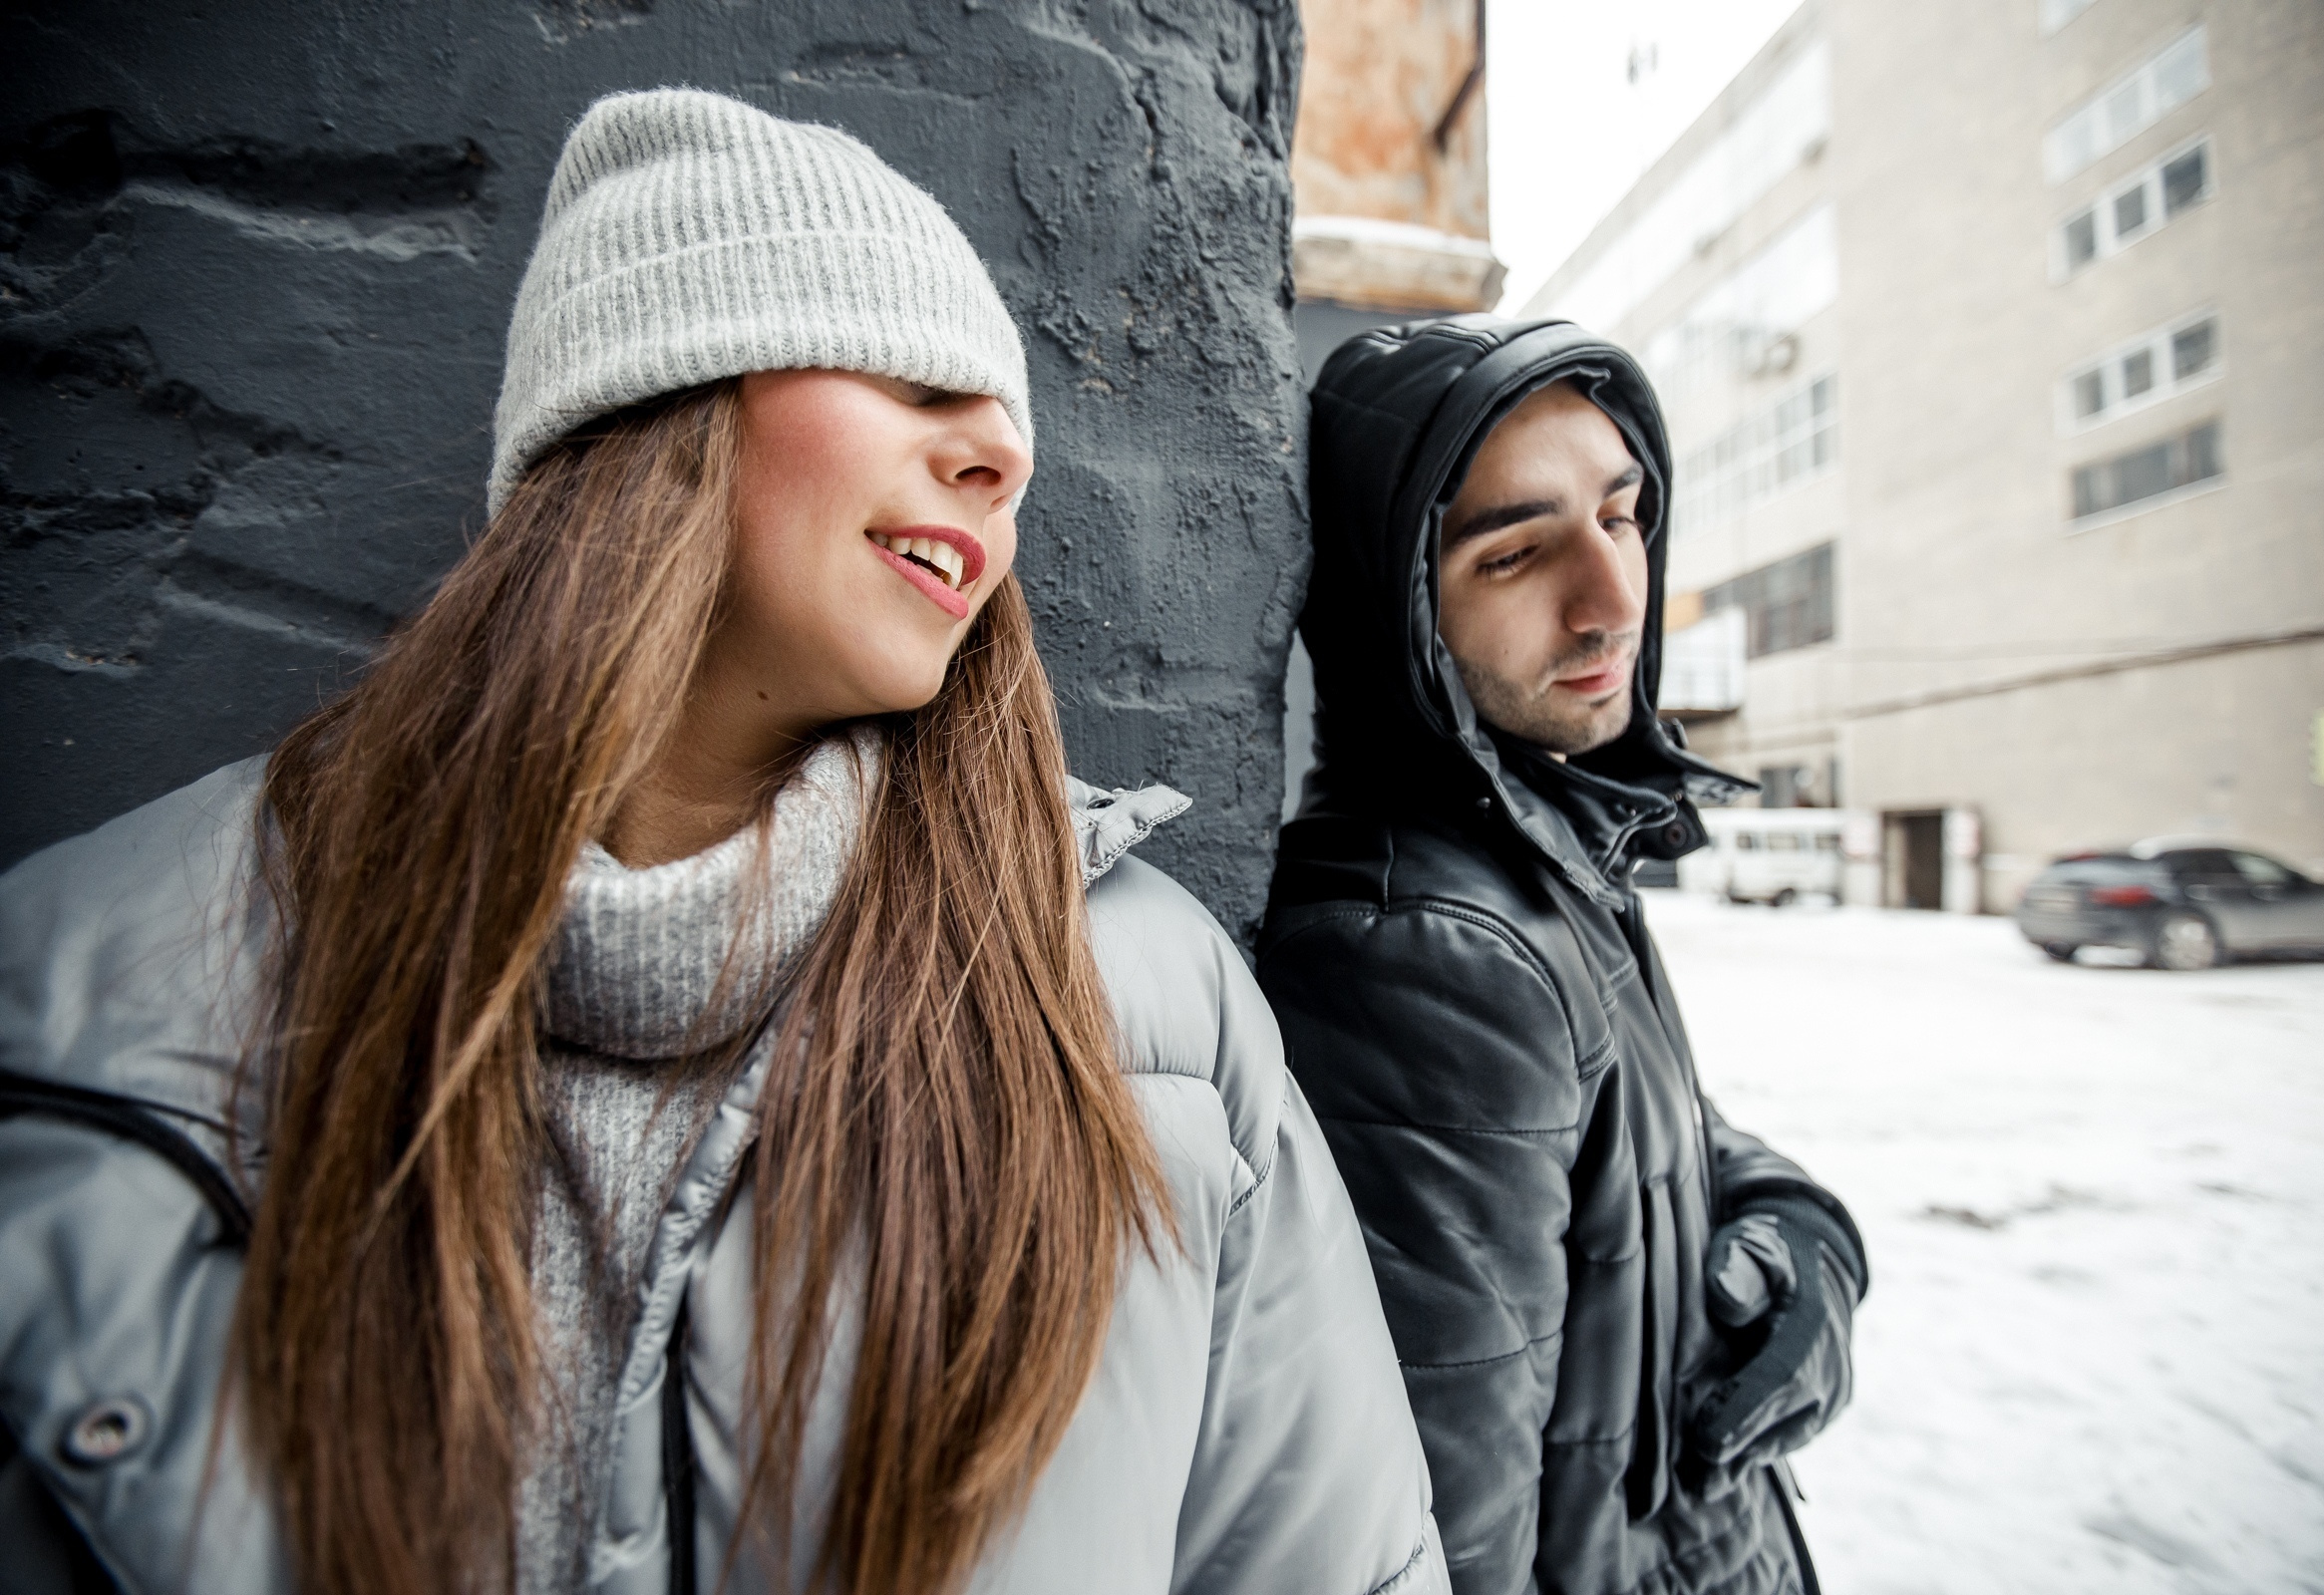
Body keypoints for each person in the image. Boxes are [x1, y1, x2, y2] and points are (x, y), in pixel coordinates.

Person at [0, 90, 1445, 1595]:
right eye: (911, 377)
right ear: (655, 405)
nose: (1002, 461)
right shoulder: (84, 992)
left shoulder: (1155, 1010)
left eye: (1007, 426)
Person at [1256, 317, 1866, 1595]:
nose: (1611, 600)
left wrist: (1804, 1234)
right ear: (1400, 611)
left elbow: (1669, 1138)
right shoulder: (1429, 948)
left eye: (1623, 515)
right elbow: (1449, 1538)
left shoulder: (1542, 841)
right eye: (1518, 552)